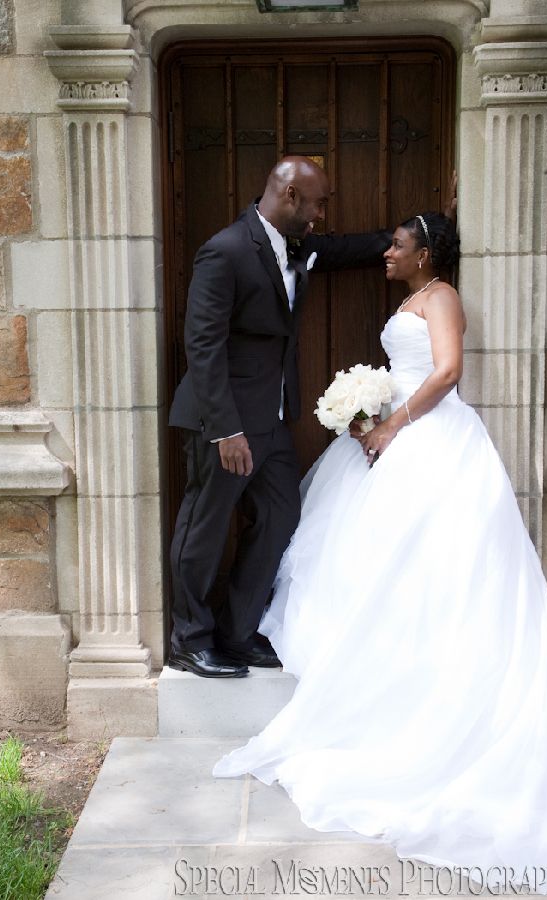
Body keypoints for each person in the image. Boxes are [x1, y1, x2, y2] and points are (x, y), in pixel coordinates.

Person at [213, 212, 547, 889]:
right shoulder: (411, 298)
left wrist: (391, 421)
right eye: (387, 241)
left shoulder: (441, 297)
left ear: (425, 254)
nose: (385, 250)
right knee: (364, 562)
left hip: (433, 440)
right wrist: (365, 410)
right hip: (399, 433)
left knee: (430, 566)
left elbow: (445, 370)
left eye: (396, 243)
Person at [169, 156, 395, 678]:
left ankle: (238, 632)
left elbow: (343, 250)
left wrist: (423, 229)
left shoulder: (296, 248)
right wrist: (226, 428)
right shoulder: (224, 251)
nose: (321, 215)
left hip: (271, 422)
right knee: (203, 529)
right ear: (290, 196)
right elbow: (202, 345)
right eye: (318, 204)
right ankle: (191, 639)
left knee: (279, 517)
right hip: (222, 422)